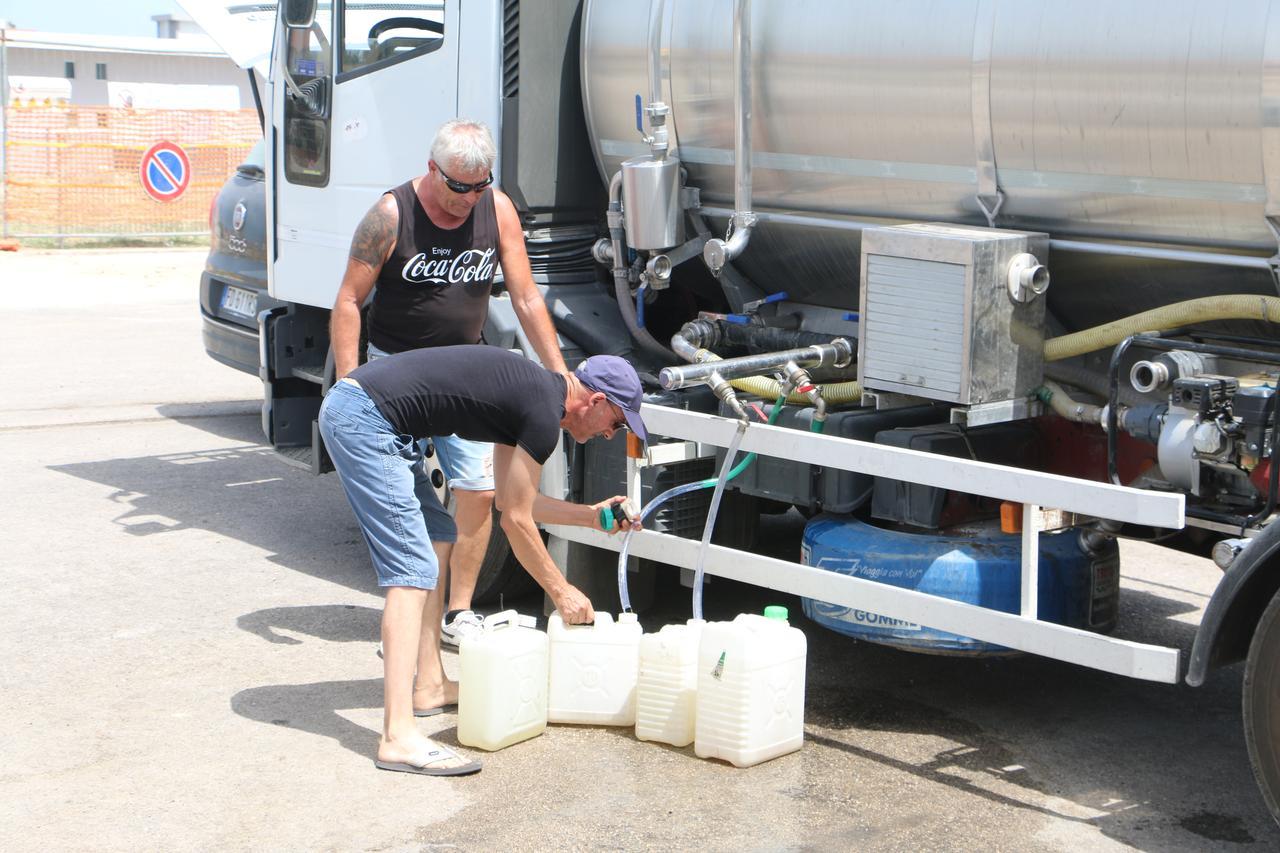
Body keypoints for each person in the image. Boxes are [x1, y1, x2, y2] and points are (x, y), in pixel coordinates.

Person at [318, 347, 648, 776]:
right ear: (597, 401)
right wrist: (561, 591)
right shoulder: (541, 413)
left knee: (437, 533)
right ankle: (397, 736)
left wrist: (591, 516)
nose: (611, 434)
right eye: (617, 423)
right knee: (413, 569)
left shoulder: (534, 402)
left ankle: (431, 685)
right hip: (364, 417)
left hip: (374, 417)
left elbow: (514, 505)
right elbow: (517, 522)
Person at [330, 118, 566, 650]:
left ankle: (457, 610)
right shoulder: (391, 215)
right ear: (432, 169)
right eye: (458, 186)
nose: (468, 198)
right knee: (406, 499)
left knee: (480, 491)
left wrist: (559, 372)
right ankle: (408, 614)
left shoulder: (496, 208)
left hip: (465, 377)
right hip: (397, 377)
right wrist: (348, 384)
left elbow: (527, 297)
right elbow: (347, 301)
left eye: (479, 185)